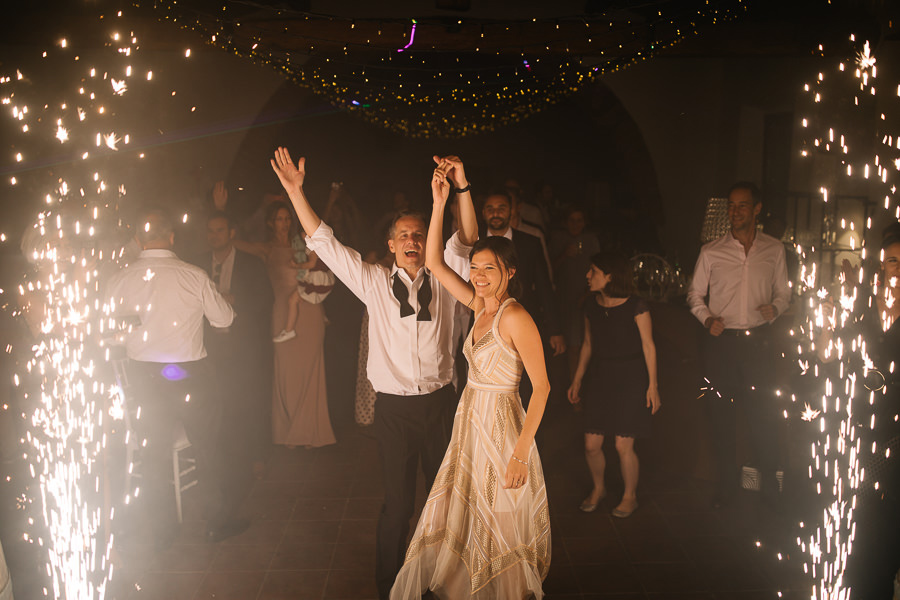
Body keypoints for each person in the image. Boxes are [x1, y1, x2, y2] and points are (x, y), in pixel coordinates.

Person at [270, 148, 478, 600]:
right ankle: (390, 586)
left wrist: (458, 189)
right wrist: (295, 192)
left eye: (419, 234)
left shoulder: (447, 278)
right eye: (403, 234)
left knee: (443, 504)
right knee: (398, 506)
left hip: (441, 404)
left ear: (428, 240)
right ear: (391, 244)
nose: (412, 240)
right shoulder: (372, 282)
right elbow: (324, 241)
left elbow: (466, 238)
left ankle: (443, 582)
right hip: (394, 412)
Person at [390, 160, 551, 600]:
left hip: (502, 428)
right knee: (465, 510)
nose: (478, 276)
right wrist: (439, 201)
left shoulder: (514, 315)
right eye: (476, 268)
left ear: (509, 273)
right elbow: (435, 262)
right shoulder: (478, 305)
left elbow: (542, 389)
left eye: (489, 269)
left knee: (498, 516)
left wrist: (519, 455)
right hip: (469, 420)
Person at [106, 207, 247, 547]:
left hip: (144, 377)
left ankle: (162, 531)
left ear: (138, 239)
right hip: (189, 375)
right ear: (171, 237)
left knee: (152, 450)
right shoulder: (192, 275)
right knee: (207, 446)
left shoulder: (120, 280)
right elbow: (225, 320)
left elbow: (112, 337)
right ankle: (216, 521)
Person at [686, 182, 790, 508]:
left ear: (757, 209)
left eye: (742, 206)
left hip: (758, 342)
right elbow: (693, 295)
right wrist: (706, 318)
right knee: (721, 415)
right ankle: (728, 487)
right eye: (731, 206)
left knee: (764, 413)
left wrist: (777, 307)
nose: (735, 212)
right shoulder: (711, 251)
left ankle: (768, 488)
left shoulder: (774, 250)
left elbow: (784, 293)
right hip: (722, 343)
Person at [236, 200, 336, 449]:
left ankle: (310, 433)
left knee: (310, 371)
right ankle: (289, 432)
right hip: (283, 311)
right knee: (286, 372)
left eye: (287, 218)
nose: (284, 223)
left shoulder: (302, 244)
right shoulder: (267, 248)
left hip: (310, 310)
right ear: (271, 223)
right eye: (279, 218)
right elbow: (233, 240)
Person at [567, 252, 661, 518]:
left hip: (631, 377)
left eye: (593, 271)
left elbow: (648, 346)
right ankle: (599, 489)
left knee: (623, 445)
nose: (588, 276)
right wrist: (577, 379)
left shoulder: (637, 305)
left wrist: (653, 386)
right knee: (591, 445)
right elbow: (587, 344)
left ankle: (630, 496)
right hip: (600, 375)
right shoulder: (591, 305)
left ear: (610, 276)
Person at [194, 211, 273, 479]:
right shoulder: (198, 265)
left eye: (219, 230)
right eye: (210, 231)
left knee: (250, 397)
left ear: (231, 233)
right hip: (210, 345)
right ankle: (223, 457)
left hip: (243, 342)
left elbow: (265, 298)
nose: (214, 235)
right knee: (217, 399)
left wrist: (233, 299)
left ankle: (257, 456)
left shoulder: (251, 263)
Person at [482, 191, 566, 364]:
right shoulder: (474, 243)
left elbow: (544, 288)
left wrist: (555, 330)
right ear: (483, 212)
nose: (496, 213)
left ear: (512, 211)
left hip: (524, 319)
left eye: (501, 208)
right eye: (490, 208)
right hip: (484, 321)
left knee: (526, 377)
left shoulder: (530, 243)